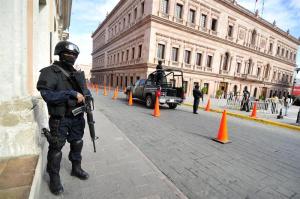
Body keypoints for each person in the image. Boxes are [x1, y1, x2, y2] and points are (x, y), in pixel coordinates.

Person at [37, 41, 90, 195]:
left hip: (77, 117)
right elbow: (47, 95)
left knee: (77, 143)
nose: (71, 56)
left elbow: (85, 91)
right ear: (59, 54)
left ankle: (76, 168)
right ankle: (54, 177)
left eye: (74, 54)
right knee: (56, 149)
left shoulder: (77, 73)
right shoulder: (49, 72)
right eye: (68, 53)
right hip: (60, 119)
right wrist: (71, 94)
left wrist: (88, 96)